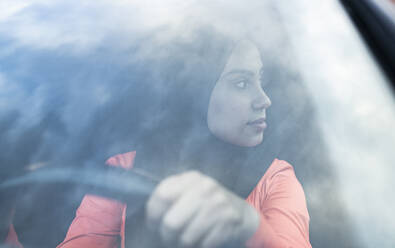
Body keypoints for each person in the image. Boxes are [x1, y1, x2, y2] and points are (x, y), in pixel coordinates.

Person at [57, 33, 312, 248]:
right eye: (242, 83)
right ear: (195, 93)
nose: (264, 99)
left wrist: (250, 227)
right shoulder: (123, 169)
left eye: (260, 80)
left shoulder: (276, 179)